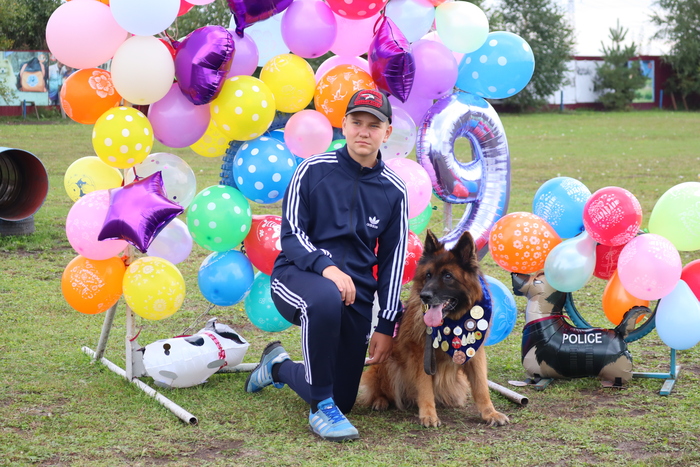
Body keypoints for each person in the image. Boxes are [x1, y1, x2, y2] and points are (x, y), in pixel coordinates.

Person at [244, 89, 409, 442]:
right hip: (298, 276)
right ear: (344, 125)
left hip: (355, 296)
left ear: (387, 132)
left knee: (344, 399)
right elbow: (291, 236)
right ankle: (320, 409)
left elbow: (392, 260)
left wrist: (386, 324)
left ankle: (278, 366)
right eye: (356, 122)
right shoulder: (311, 170)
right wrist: (327, 268)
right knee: (325, 298)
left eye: (373, 125)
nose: (363, 132)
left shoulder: (394, 190)